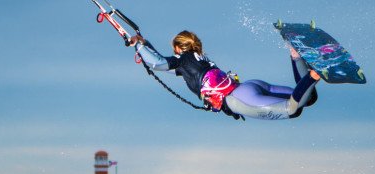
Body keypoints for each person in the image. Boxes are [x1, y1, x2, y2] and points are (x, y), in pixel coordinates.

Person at [130, 30, 320, 120]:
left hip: (238, 99)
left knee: (292, 109)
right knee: (307, 97)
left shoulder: (183, 60)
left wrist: (137, 45)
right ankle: (295, 55)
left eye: (175, 50)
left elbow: (158, 63)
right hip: (250, 86)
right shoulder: (199, 58)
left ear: (179, 48)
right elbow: (162, 60)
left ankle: (312, 75)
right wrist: (145, 43)